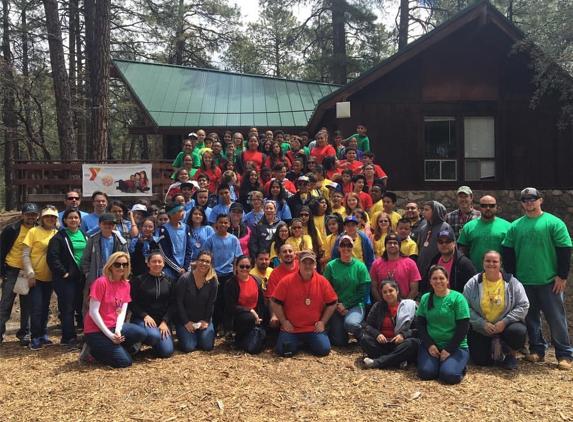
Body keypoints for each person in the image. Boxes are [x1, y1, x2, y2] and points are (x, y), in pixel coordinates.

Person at [502, 187, 573, 370]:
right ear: (521, 203)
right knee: (531, 318)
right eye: (525, 199)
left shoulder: (553, 223)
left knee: (556, 318)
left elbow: (564, 250)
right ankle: (537, 350)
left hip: (549, 280)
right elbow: (508, 252)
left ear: (540, 200)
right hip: (524, 281)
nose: (529, 202)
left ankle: (564, 354)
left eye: (532, 198)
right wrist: (512, 279)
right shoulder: (516, 226)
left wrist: (562, 276)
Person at [463, 251, 529, 370]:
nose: (491, 264)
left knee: (518, 331)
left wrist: (505, 322)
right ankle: (495, 348)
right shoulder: (473, 282)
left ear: (500, 263)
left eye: (495, 261)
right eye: (488, 261)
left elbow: (523, 305)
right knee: (481, 361)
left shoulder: (512, 282)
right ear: (483, 263)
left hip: (507, 326)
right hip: (482, 328)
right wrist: (482, 323)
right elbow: (465, 306)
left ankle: (511, 354)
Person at [79, 252, 147, 367]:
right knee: (125, 362)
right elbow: (93, 312)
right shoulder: (100, 283)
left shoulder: (126, 284)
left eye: (125, 265)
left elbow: (122, 311)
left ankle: (114, 348)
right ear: (110, 266)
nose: (121, 268)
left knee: (141, 333)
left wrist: (118, 331)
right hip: (96, 331)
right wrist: (110, 336)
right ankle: (93, 352)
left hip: (114, 327)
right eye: (117, 264)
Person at [271, 251, 338, 357]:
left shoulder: (322, 281)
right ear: (299, 264)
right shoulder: (287, 280)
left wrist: (323, 322)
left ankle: (308, 341)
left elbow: (333, 303)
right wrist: (283, 321)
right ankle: (300, 342)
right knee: (284, 352)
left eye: (310, 263)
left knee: (323, 350)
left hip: (313, 328)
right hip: (292, 328)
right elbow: (274, 301)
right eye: (304, 263)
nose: (307, 266)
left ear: (315, 265)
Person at [417, 265, 470, 384]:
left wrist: (449, 349)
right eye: (434, 278)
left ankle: (458, 366)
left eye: (441, 278)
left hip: (456, 346)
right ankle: (441, 364)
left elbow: (463, 327)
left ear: (447, 280)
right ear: (430, 281)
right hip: (433, 345)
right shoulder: (426, 298)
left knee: (449, 376)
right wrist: (429, 345)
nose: (438, 281)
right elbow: (420, 324)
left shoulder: (458, 298)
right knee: (426, 373)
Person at [46, 208, 88, 350]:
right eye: (70, 217)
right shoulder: (59, 237)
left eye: (76, 218)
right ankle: (68, 337)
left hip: (81, 278)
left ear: (80, 221)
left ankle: (82, 335)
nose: (73, 220)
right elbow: (53, 258)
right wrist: (64, 273)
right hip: (66, 279)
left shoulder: (85, 235)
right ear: (64, 220)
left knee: (80, 307)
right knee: (67, 308)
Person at [0, 203, 38, 346]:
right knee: (5, 304)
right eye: (28, 214)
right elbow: (2, 250)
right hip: (12, 270)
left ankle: (24, 334)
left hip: (29, 272)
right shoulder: (12, 229)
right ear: (22, 215)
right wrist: (1, 273)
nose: (31, 217)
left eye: (33, 215)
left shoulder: (39, 230)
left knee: (27, 305)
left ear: (37, 216)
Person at [323, 235, 371, 346]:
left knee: (351, 324)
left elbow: (362, 291)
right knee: (340, 342)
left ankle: (361, 337)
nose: (346, 248)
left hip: (355, 304)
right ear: (338, 248)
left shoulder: (360, 266)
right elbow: (326, 288)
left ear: (352, 247)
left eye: (349, 245)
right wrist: (337, 305)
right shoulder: (331, 266)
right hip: (335, 305)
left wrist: (345, 305)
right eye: (342, 245)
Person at [22, 206, 59, 350]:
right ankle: (35, 336)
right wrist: (30, 274)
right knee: (36, 307)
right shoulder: (33, 232)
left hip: (51, 277)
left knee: (45, 307)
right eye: (47, 216)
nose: (50, 219)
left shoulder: (57, 233)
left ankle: (43, 334)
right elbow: (25, 254)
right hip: (36, 277)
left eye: (53, 217)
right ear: (42, 218)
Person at [362, 279, 419, 369]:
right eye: (384, 292)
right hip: (382, 343)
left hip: (400, 343)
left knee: (412, 343)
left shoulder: (409, 306)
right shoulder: (378, 306)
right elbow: (368, 325)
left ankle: (377, 362)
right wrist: (377, 334)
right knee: (365, 340)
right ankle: (398, 360)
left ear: (397, 291)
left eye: (391, 291)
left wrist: (403, 335)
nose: (388, 294)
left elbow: (417, 329)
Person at [81, 213, 129, 318]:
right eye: (105, 223)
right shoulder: (93, 240)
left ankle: (113, 328)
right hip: (95, 277)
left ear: (114, 225)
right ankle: (91, 330)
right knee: (91, 304)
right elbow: (85, 260)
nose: (108, 226)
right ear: (99, 224)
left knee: (114, 304)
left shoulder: (121, 241)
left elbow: (126, 260)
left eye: (111, 224)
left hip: (114, 278)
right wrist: (88, 275)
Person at [128, 251, 175, 359]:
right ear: (148, 263)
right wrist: (144, 315)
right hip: (142, 319)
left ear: (164, 264)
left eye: (159, 262)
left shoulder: (169, 281)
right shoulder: (139, 280)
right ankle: (138, 341)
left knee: (166, 352)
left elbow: (173, 304)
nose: (157, 264)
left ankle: (157, 343)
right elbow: (131, 302)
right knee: (153, 336)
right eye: (154, 261)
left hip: (161, 321)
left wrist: (165, 321)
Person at [203, 214, 243, 336]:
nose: (223, 225)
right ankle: (214, 328)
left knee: (228, 302)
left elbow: (237, 256)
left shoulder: (233, 239)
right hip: (214, 274)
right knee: (216, 302)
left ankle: (227, 329)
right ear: (216, 224)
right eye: (221, 222)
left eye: (226, 223)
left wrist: (235, 270)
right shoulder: (210, 239)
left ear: (229, 224)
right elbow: (206, 256)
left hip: (229, 274)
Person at [175, 250, 218, 353]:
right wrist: (186, 322)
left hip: (203, 320)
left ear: (211, 264)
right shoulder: (185, 278)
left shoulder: (212, 281)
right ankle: (189, 335)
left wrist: (206, 320)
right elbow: (178, 302)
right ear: (196, 262)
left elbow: (211, 303)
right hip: (185, 320)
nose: (204, 264)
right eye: (201, 260)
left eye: (207, 262)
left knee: (207, 346)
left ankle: (198, 335)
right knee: (189, 348)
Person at [457, 195, 511, 272]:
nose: (488, 208)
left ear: (496, 207)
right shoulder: (469, 227)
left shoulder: (507, 226)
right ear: (479, 208)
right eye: (484, 205)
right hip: (475, 274)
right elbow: (462, 251)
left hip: (500, 275)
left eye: (491, 206)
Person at [225, 255, 266, 353]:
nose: (244, 269)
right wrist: (250, 311)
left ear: (251, 267)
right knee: (248, 318)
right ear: (236, 266)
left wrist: (260, 317)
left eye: (247, 267)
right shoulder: (230, 283)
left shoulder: (257, 281)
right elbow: (231, 307)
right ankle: (238, 338)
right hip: (238, 316)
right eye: (241, 266)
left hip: (255, 314)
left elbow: (260, 302)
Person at [425, 229, 477, 295]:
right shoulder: (434, 262)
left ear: (454, 243)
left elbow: (474, 287)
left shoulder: (465, 264)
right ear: (437, 244)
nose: (444, 244)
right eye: (440, 242)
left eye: (448, 241)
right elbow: (425, 284)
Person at [370, 233, 421, 301]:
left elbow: (414, 290)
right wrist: (382, 304)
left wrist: (403, 306)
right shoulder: (376, 264)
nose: (392, 245)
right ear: (385, 245)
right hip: (383, 305)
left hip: (405, 305)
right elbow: (373, 288)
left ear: (399, 246)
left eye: (395, 243)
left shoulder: (410, 263)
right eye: (389, 243)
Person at [416, 200, 452, 281]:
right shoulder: (423, 228)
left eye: (427, 210)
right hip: (422, 267)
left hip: (438, 269)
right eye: (423, 209)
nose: (423, 212)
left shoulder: (445, 228)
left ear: (435, 211)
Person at [266, 244, 299, 329]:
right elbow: (271, 297)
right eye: (284, 252)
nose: (288, 253)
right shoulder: (275, 273)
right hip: (285, 311)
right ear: (279, 256)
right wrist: (273, 316)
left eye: (290, 251)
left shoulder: (302, 266)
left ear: (295, 254)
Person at [157, 202, 193, 280]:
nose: (183, 213)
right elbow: (165, 254)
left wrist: (185, 267)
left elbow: (189, 249)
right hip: (171, 271)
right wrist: (178, 269)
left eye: (183, 211)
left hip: (185, 270)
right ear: (172, 215)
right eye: (179, 212)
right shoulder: (164, 230)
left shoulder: (186, 227)